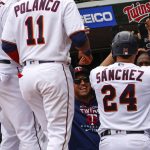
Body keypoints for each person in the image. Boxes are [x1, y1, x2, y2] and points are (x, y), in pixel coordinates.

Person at [1, 0, 93, 149]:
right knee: (58, 135)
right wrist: (86, 51)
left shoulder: (17, 6)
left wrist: (24, 61)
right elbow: (79, 38)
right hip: (53, 69)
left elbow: (7, 45)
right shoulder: (64, 2)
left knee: (48, 134)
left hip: (27, 74)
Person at [90, 31, 150, 150]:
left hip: (109, 142)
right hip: (139, 140)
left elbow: (102, 66)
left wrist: (115, 51)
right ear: (136, 52)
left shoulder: (96, 73)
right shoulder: (147, 73)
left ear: (113, 51)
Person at [0, 0, 43, 150]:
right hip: (11, 69)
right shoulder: (12, 5)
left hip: (4, 73)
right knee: (30, 131)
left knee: (10, 133)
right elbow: (10, 44)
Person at [69, 66, 100, 150]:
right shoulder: (68, 104)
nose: (82, 83)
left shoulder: (101, 101)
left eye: (86, 79)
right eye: (77, 81)